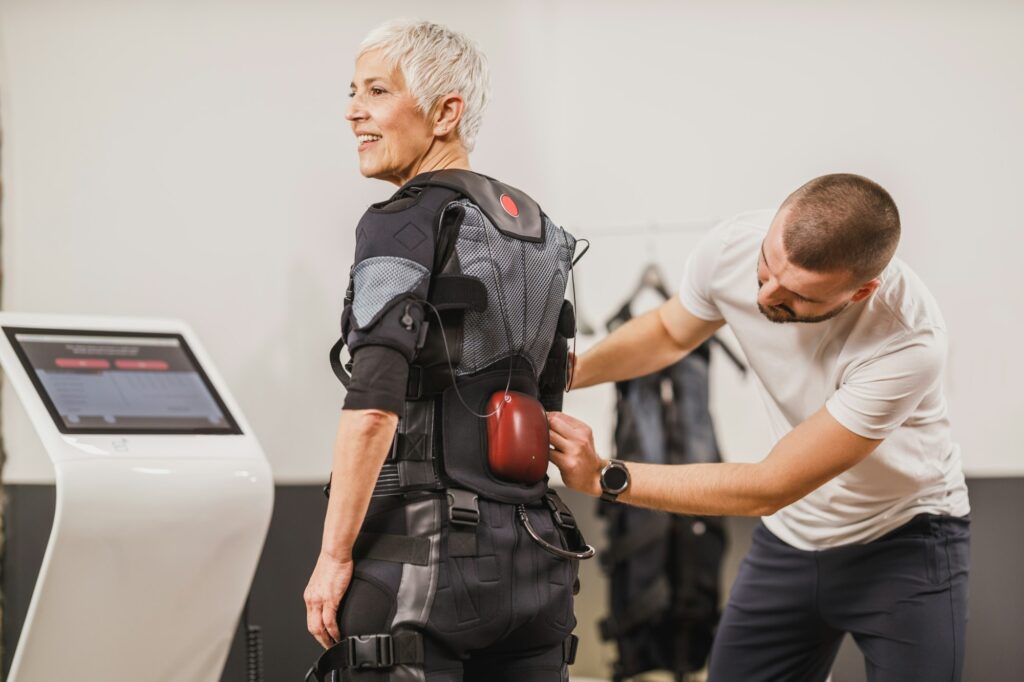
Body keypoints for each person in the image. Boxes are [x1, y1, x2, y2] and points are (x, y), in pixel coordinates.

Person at [548, 174, 970, 682]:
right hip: (793, 535)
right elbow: (668, 332)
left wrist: (603, 476)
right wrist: (568, 373)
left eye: (797, 294)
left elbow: (770, 486)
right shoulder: (733, 246)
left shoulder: (907, 341)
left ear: (861, 290)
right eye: (767, 268)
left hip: (903, 537)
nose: (767, 292)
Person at [303, 20, 589, 682]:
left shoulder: (402, 218)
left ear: (445, 112)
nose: (354, 110)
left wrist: (334, 554)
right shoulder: (545, 236)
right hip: (539, 559)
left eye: (376, 91)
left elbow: (374, 403)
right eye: (352, 91)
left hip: (422, 564)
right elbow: (548, 401)